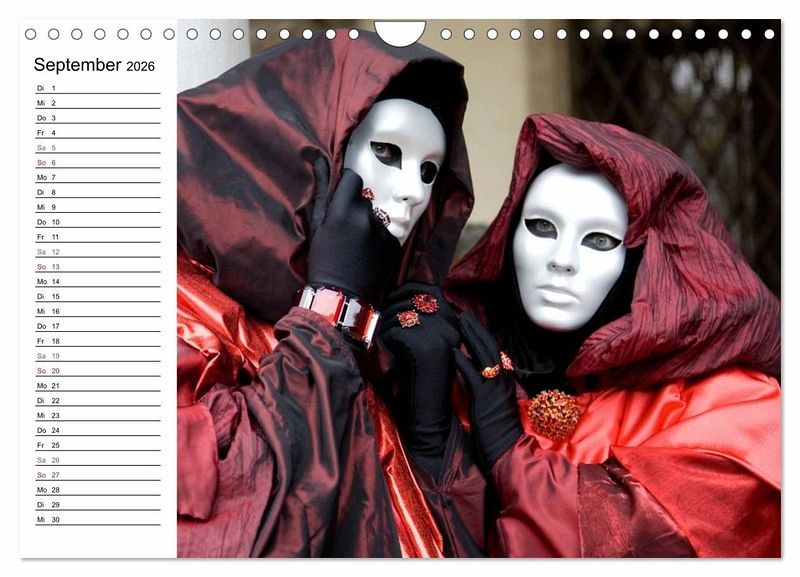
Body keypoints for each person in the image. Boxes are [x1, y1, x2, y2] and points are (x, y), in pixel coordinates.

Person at [175, 29, 475, 557]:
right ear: (296, 154)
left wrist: (430, 438)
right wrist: (330, 309)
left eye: (429, 170)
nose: (413, 192)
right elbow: (219, 522)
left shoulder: (374, 338)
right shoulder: (179, 316)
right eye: (387, 152)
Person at [433, 113, 780, 557]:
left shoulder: (733, 405)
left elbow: (645, 541)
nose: (562, 259)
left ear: (648, 259)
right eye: (541, 227)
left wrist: (505, 448)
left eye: (598, 240)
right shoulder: (463, 375)